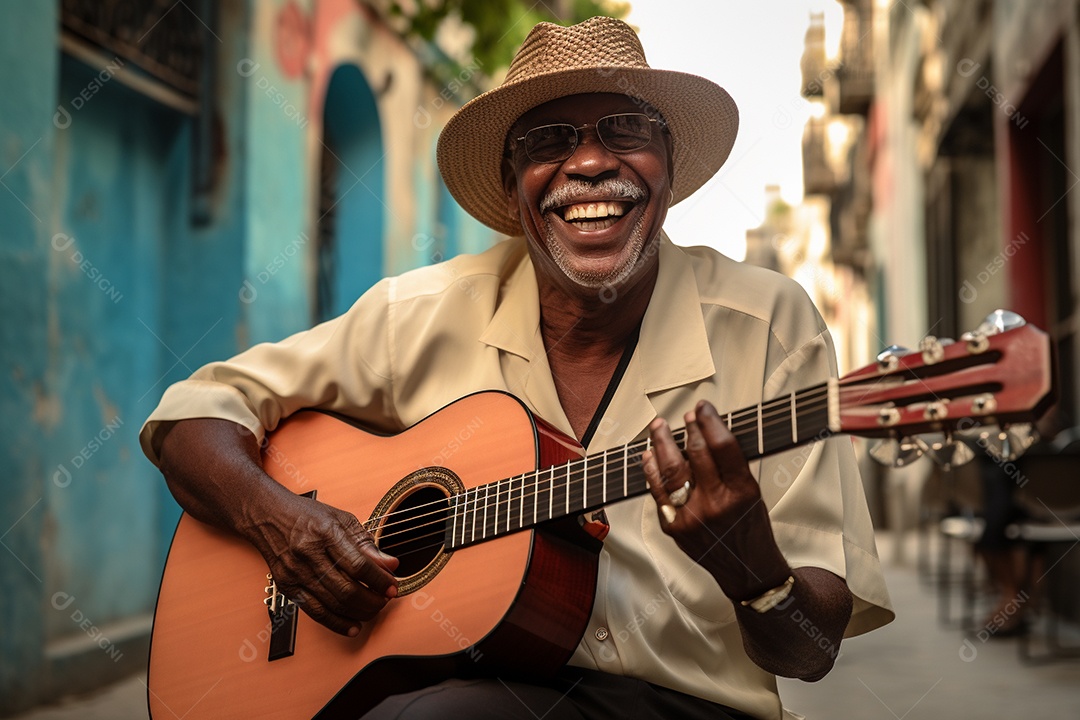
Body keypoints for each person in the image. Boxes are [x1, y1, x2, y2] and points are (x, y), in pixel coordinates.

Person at [140, 16, 893, 720]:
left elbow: (811, 652)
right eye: (550, 140)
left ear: (669, 166)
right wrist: (280, 521)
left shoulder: (771, 326)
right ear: (511, 188)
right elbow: (192, 415)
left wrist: (749, 564)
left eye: (626, 129)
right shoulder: (422, 311)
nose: (592, 162)